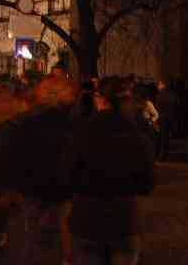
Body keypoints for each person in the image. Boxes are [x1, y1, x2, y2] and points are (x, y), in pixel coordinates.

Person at [64, 94, 155, 265]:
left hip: (87, 217)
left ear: (101, 104)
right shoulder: (139, 139)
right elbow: (147, 184)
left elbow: (68, 176)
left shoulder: (81, 134)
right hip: (124, 217)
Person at [155, 79, 177, 161]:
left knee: (160, 138)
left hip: (161, 118)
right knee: (165, 138)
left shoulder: (160, 95)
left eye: (159, 84)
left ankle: (160, 155)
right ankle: (164, 154)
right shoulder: (172, 95)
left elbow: (157, 108)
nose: (158, 86)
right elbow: (174, 107)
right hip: (168, 118)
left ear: (163, 85)